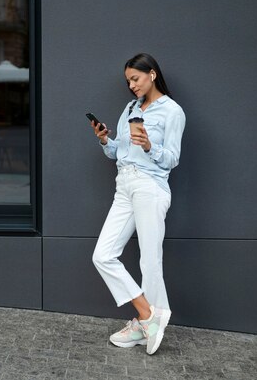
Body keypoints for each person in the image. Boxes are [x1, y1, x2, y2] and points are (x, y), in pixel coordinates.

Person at [89, 53, 186, 355]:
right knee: (103, 255)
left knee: (149, 259)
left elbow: (172, 158)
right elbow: (118, 151)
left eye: (136, 78)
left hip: (150, 186)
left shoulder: (172, 111)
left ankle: (147, 324)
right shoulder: (130, 108)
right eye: (128, 81)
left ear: (152, 74)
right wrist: (105, 140)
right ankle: (147, 316)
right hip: (125, 185)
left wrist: (148, 145)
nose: (131, 85)